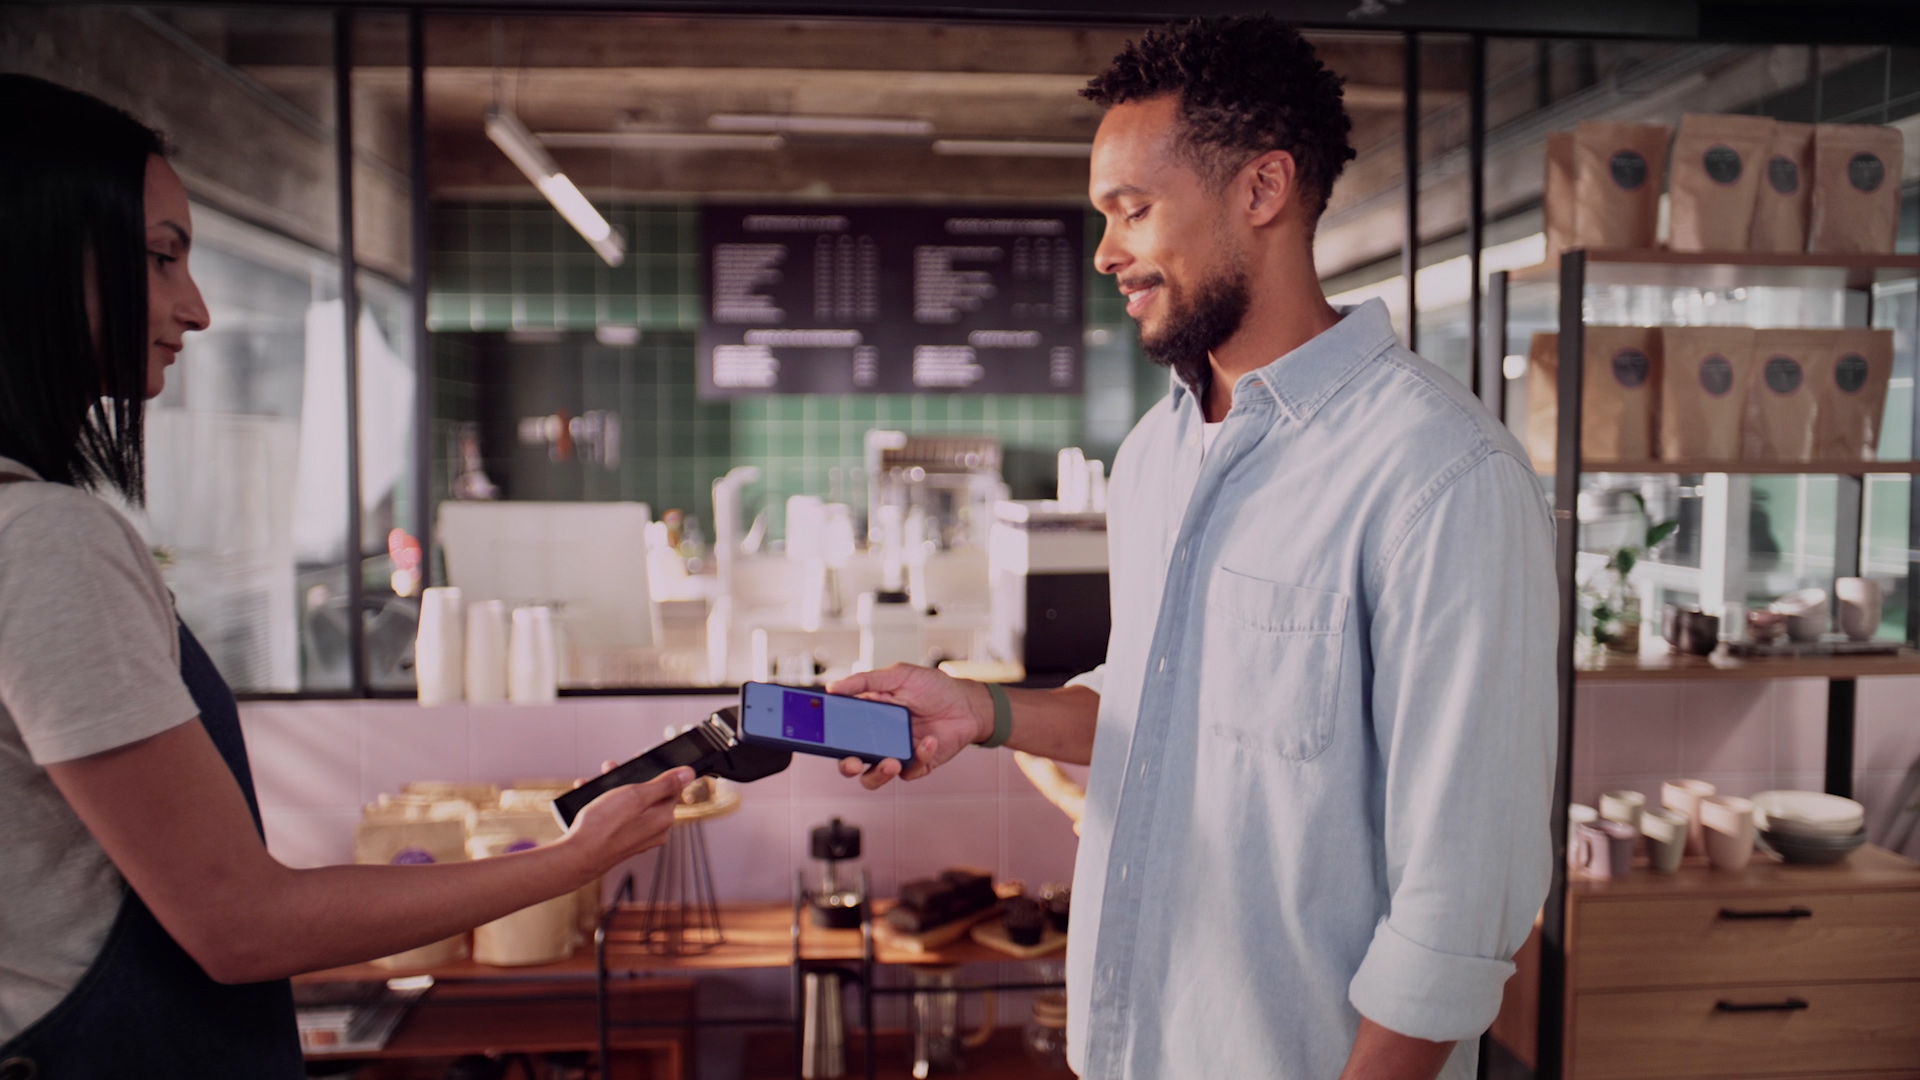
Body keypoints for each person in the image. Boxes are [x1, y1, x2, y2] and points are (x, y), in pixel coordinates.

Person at [831, 18, 1557, 1080]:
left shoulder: (1443, 474)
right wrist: (981, 712)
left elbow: (1460, 901)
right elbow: (1158, 708)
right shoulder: (1155, 453)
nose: (1105, 251)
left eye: (1133, 210)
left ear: (1261, 189)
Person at [0, 74, 692, 1077]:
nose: (192, 309)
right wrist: (574, 861)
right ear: (31, 261)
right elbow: (241, 923)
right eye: (158, 260)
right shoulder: (46, 542)